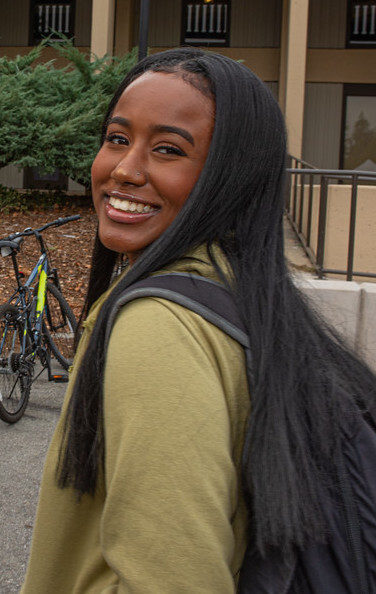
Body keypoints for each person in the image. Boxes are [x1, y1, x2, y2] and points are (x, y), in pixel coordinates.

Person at [21, 48, 376, 593]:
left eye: (168, 150)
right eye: (117, 138)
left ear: (230, 177)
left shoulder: (158, 325)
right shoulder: (239, 292)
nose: (124, 169)